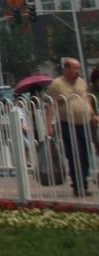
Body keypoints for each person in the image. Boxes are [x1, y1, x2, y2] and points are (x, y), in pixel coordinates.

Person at [44, 57, 93, 196]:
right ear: (66, 69)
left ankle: (84, 182)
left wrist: (93, 114)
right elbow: (50, 105)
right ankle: (78, 185)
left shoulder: (81, 82)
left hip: (85, 123)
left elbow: (87, 98)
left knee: (85, 154)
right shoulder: (57, 84)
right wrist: (49, 125)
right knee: (74, 154)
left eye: (79, 68)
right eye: (75, 68)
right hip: (68, 124)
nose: (78, 71)